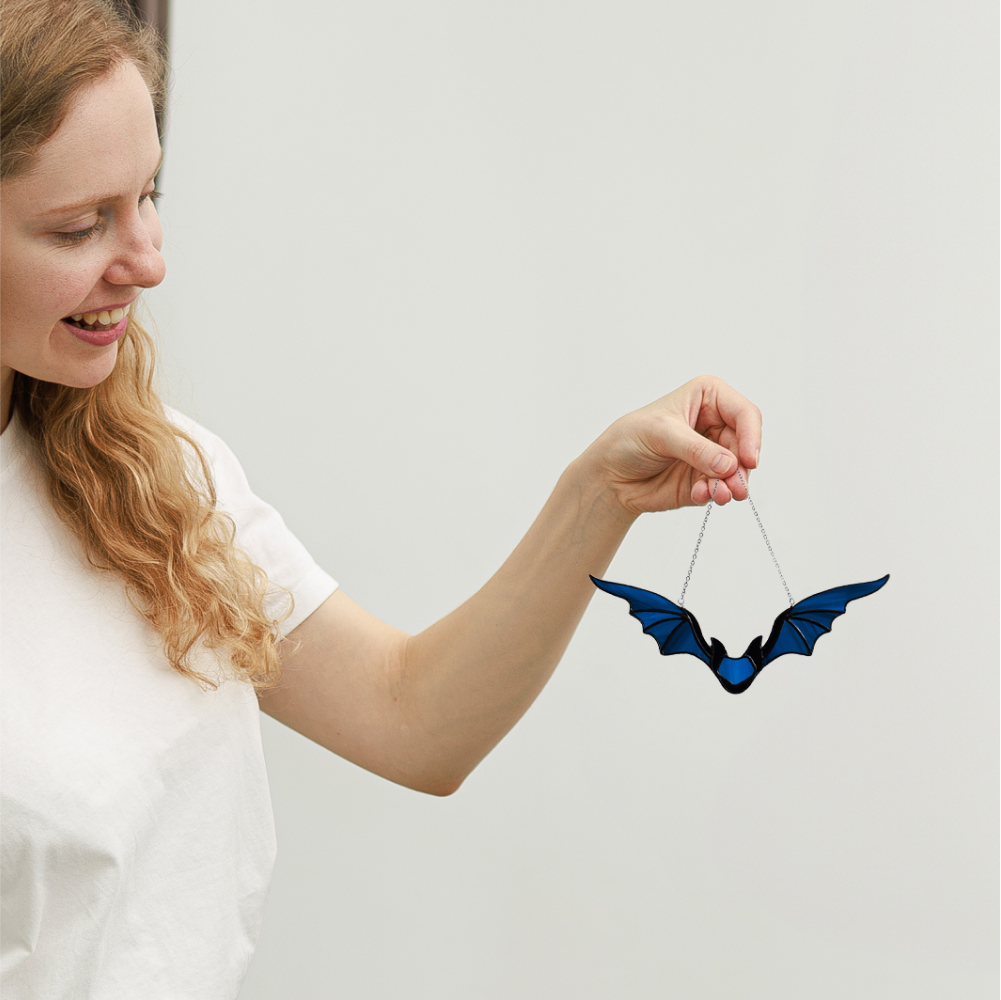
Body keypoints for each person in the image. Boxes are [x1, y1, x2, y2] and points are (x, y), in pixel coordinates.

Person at [0, 0, 762, 994]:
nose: (148, 260)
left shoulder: (152, 476)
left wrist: (599, 493)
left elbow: (415, 718)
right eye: (80, 224)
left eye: (148, 195)